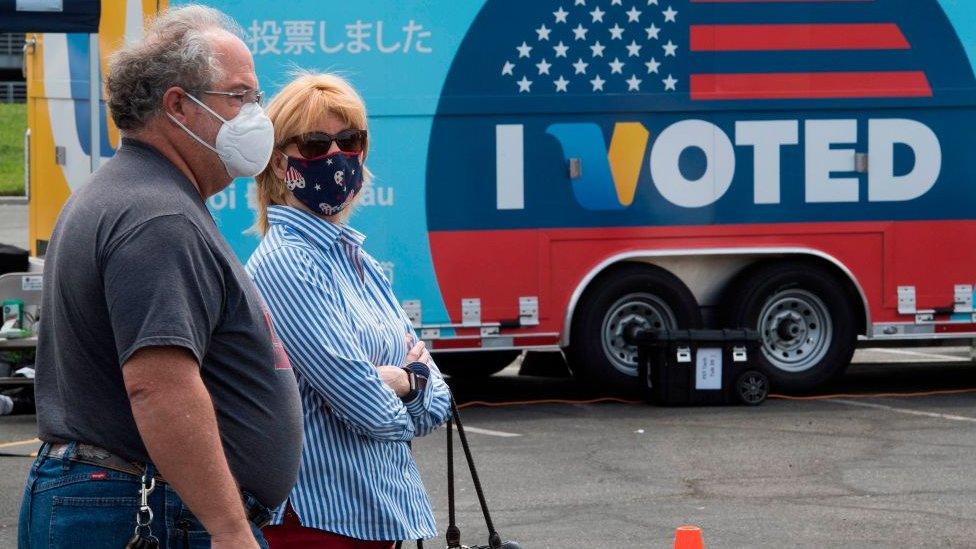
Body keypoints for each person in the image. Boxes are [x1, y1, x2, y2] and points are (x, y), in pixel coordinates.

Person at [18, 6, 303, 548]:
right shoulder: (158, 217)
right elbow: (159, 386)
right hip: (144, 509)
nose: (257, 114)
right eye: (239, 96)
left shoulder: (135, 195)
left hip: (129, 500)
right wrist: (229, 530)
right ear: (179, 106)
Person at [246, 72, 453, 548]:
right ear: (280, 164)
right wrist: (409, 379)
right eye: (316, 145)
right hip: (320, 524)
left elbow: (439, 397)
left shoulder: (354, 258)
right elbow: (370, 410)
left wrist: (404, 379)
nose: (337, 157)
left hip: (376, 512)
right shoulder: (287, 264)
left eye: (350, 140)